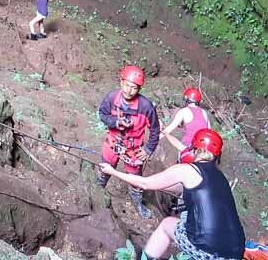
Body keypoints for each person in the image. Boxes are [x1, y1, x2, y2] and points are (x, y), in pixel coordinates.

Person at [102, 128, 245, 260]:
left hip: (206, 249)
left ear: (194, 149)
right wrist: (160, 184)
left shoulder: (186, 169)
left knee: (167, 224)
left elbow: (145, 184)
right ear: (217, 156)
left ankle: (146, 258)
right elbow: (183, 189)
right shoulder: (221, 178)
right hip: (237, 251)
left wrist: (113, 171)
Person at [98, 64, 162, 217]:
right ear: (121, 82)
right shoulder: (112, 97)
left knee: (135, 178)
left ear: (139, 89)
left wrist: (148, 150)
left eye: (133, 87)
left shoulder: (146, 107)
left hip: (133, 148)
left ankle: (137, 203)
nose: (129, 90)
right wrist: (115, 122)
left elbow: (155, 130)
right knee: (104, 168)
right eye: (126, 85)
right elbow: (102, 114)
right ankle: (98, 192)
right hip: (113, 141)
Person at [163, 86, 211, 155]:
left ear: (187, 99)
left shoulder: (183, 111)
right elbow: (209, 131)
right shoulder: (204, 112)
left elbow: (169, 129)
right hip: (203, 150)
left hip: (187, 148)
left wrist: (159, 135)